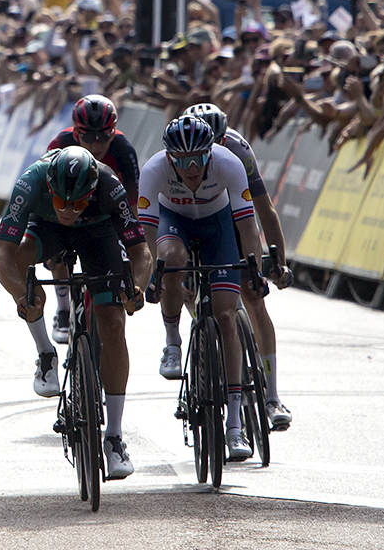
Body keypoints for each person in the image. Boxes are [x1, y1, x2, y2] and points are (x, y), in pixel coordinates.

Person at [0, 146, 150, 480]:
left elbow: (141, 252)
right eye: (61, 201)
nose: (68, 209)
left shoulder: (108, 184)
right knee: (21, 258)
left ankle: (115, 438)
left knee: (112, 322)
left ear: (91, 192)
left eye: (77, 203)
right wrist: (23, 295)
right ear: (49, 188)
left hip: (99, 233)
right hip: (47, 230)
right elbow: (1, 256)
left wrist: (136, 287)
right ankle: (46, 353)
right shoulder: (31, 181)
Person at [138, 115, 263, 462]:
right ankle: (173, 343)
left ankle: (235, 425)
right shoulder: (152, 172)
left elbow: (248, 226)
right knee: (171, 259)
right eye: (182, 161)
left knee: (225, 314)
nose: (191, 168)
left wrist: (254, 265)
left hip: (217, 226)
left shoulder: (229, 164)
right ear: (169, 159)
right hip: (173, 222)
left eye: (198, 159)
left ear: (211, 153)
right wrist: (153, 275)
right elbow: (146, 235)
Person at [183, 102, 293, 430]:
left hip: (231, 216)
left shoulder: (237, 151)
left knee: (254, 296)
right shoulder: (180, 150)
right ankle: (206, 328)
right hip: (192, 218)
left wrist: (276, 264)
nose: (211, 154)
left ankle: (271, 397)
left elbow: (264, 211)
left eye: (216, 144)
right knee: (186, 283)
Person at [46, 94, 140, 343]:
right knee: (58, 254)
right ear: (76, 134)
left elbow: (133, 207)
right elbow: (46, 199)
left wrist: (132, 245)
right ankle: (64, 308)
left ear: (114, 132)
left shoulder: (123, 150)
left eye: (103, 136)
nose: (96, 145)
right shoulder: (60, 143)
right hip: (66, 209)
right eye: (88, 137)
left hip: (107, 211)